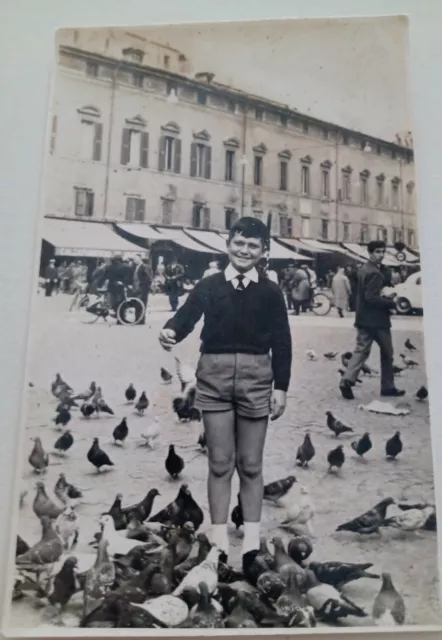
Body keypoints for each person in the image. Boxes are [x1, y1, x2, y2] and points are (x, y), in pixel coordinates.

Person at [158, 217, 292, 570]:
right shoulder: (210, 285)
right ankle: (218, 541)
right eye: (239, 243)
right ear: (228, 244)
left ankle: (250, 544)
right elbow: (185, 318)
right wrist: (169, 331)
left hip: (257, 378)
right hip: (214, 377)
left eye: (253, 246)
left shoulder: (270, 291)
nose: (244, 251)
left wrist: (281, 388)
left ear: (263, 252)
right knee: (219, 463)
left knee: (250, 464)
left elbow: (282, 342)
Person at [340, 240, 404, 400]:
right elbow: (371, 298)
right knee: (387, 352)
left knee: (360, 351)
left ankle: (347, 380)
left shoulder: (363, 270)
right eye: (377, 252)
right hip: (378, 320)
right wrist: (390, 302)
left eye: (383, 251)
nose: (381, 255)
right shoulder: (375, 273)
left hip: (363, 318)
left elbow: (361, 295)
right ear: (370, 253)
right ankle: (388, 386)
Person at [133, 254, 152, 324]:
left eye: (135, 259)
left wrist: (143, 286)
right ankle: (137, 318)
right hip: (137, 288)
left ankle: (141, 319)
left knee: (142, 304)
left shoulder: (144, 267)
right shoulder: (136, 266)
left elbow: (148, 278)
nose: (134, 260)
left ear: (139, 259)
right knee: (137, 304)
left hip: (143, 289)